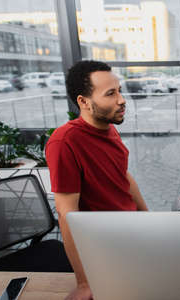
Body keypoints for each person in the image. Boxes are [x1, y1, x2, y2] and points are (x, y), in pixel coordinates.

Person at [46, 60, 148, 300]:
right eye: (111, 94)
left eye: (120, 91)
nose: (121, 100)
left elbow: (122, 175)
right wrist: (83, 282)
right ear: (83, 102)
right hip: (106, 244)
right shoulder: (64, 142)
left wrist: (148, 218)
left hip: (132, 233)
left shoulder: (108, 127)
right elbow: (66, 214)